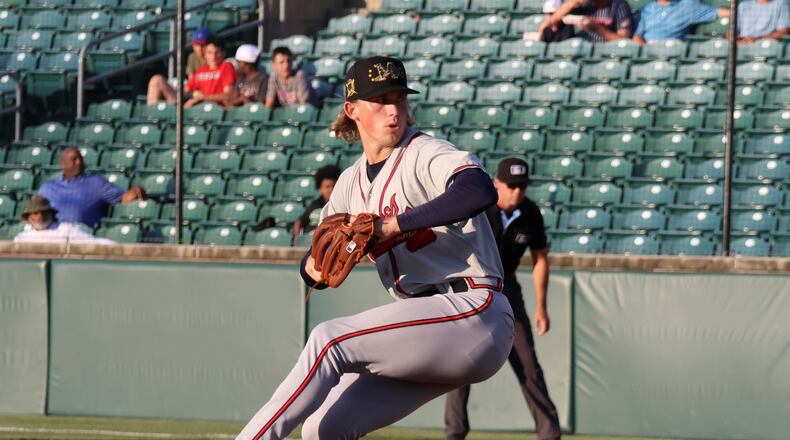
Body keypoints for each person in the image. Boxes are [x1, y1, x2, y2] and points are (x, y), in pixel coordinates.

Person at [236, 56, 515, 440]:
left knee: (329, 339)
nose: (393, 110)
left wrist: (391, 225)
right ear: (352, 110)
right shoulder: (349, 184)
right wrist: (320, 266)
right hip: (425, 328)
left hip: (474, 311)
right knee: (322, 428)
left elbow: (479, 189)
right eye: (380, 100)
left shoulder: (424, 152)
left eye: (398, 98)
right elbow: (313, 266)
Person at [444, 158, 561, 440]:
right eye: (511, 186)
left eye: (521, 186)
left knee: (528, 363)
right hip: (472, 283)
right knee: (462, 363)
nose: (516, 192)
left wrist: (542, 307)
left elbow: (540, 258)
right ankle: (454, 433)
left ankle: (549, 434)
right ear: (497, 183)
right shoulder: (480, 207)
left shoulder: (530, 212)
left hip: (507, 286)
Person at [37, 147, 146, 228]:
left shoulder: (96, 183)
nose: (79, 162)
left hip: (82, 236)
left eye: (80, 159)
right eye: (74, 159)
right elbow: (34, 211)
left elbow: (123, 198)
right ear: (63, 164)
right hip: (52, 236)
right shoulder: (48, 187)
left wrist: (135, 191)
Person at [146, 27, 212, 105]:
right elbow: (191, 83)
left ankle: (177, 112)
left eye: (203, 45)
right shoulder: (193, 57)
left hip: (204, 98)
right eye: (197, 44)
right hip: (190, 95)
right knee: (156, 80)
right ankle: (152, 115)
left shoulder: (217, 60)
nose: (200, 48)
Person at [14, 195, 114, 244]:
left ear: (51, 214)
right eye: (35, 213)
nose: (40, 217)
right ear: (29, 217)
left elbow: (92, 243)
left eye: (44, 212)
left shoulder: (66, 230)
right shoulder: (22, 237)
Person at [632, 0, 730, 44]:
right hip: (649, 47)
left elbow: (717, 12)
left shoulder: (687, 6)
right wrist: (645, 51)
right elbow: (637, 36)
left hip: (672, 48)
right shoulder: (647, 9)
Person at [538, 0, 634, 42]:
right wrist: (573, 2)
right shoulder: (585, 5)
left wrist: (597, 28)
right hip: (582, 52)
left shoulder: (619, 6)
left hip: (608, 52)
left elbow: (624, 41)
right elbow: (552, 22)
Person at [291, 165, 341, 245]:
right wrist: (295, 238)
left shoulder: (341, 206)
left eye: (334, 186)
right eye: (327, 187)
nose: (331, 190)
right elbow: (300, 221)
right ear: (320, 189)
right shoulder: (314, 205)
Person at [183, 37, 237, 108]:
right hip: (200, 108)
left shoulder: (226, 66)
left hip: (217, 109)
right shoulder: (201, 70)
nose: (213, 56)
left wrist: (202, 97)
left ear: (223, 53)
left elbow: (229, 95)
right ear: (205, 54)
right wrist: (193, 94)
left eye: (217, 52)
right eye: (210, 53)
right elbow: (185, 90)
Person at [226, 44, 268, 108]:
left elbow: (261, 106)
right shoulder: (241, 79)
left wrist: (244, 99)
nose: (237, 64)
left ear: (245, 63)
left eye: (238, 62)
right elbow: (232, 101)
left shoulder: (264, 79)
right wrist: (240, 99)